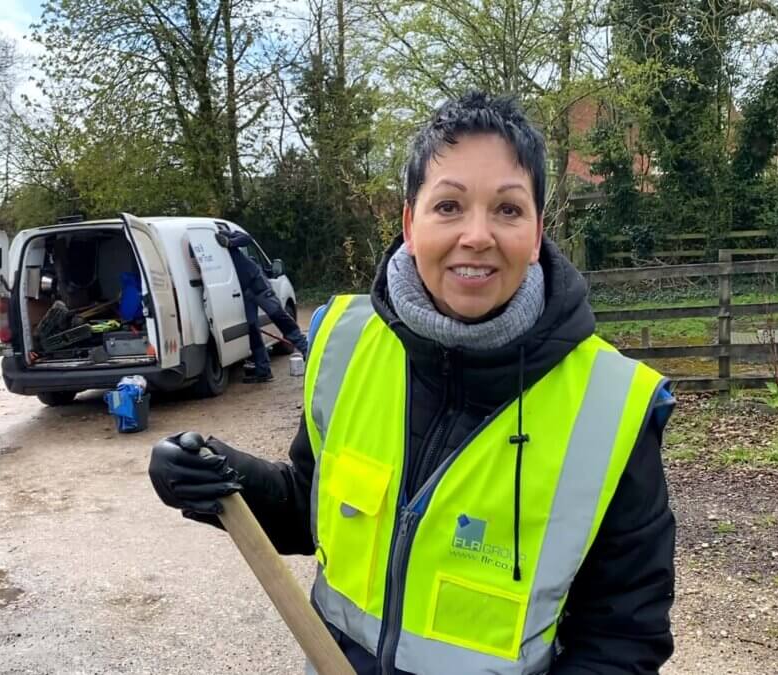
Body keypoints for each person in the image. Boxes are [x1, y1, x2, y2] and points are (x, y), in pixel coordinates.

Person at [149, 92, 676, 674]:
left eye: (507, 209)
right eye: (449, 206)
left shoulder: (612, 406)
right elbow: (311, 510)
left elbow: (624, 638)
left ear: (536, 233)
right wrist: (221, 481)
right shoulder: (347, 345)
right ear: (409, 222)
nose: (477, 235)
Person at [215, 228, 309, 383]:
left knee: (278, 316)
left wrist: (229, 241)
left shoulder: (226, 237)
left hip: (257, 285)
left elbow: (247, 238)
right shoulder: (210, 248)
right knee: (252, 328)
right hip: (244, 291)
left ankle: (306, 349)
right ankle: (263, 370)